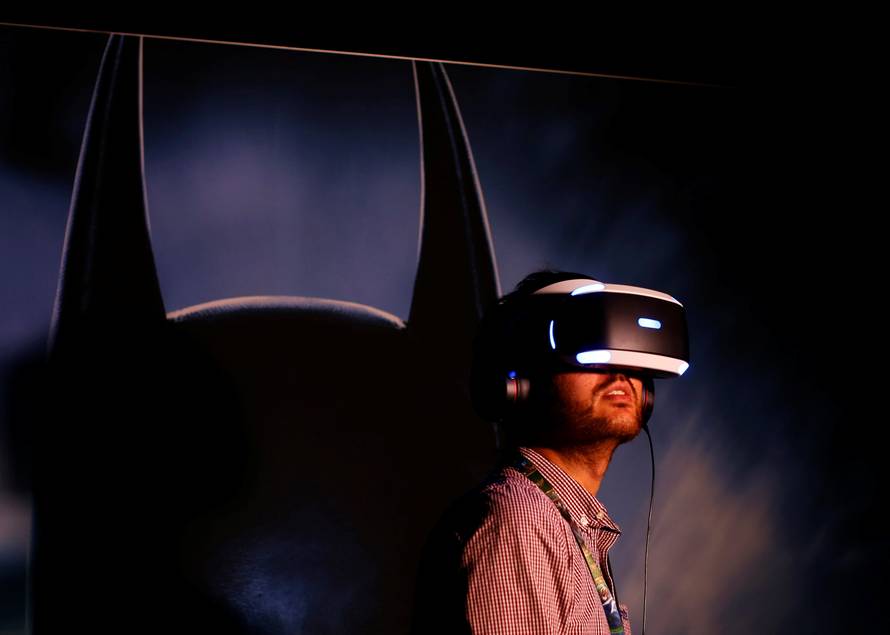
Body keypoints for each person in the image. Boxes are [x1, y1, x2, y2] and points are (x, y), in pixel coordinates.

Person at [410, 270, 645, 635]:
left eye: (624, 345)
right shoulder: (519, 521)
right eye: (584, 339)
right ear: (517, 385)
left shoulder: (560, 525)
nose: (618, 367)